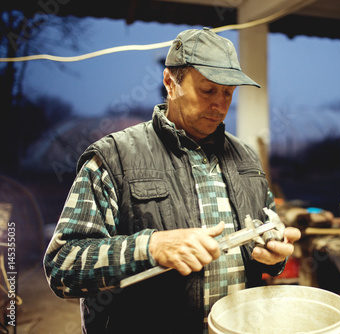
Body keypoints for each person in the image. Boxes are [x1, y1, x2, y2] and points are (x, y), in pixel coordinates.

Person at [43, 27, 301, 333]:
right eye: (208, 90)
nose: (220, 105)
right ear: (170, 82)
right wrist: (150, 247)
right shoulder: (115, 157)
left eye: (228, 93)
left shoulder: (246, 158)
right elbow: (62, 267)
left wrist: (273, 256)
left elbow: (266, 239)